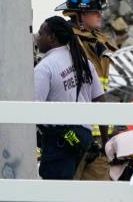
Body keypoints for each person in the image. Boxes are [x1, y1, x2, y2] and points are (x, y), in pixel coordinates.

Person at [55, 0, 118, 180]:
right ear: (80, 15)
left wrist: (106, 137)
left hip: (97, 132)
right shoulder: (68, 44)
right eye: (94, 11)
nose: (100, 14)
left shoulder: (96, 41)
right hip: (73, 133)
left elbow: (99, 92)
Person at [34, 16, 108, 180]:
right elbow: (100, 100)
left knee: (55, 190)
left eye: (41, 34)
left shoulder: (45, 68)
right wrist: (105, 141)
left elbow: (34, 110)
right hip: (82, 138)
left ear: (52, 38)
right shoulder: (82, 62)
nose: (38, 38)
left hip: (62, 139)